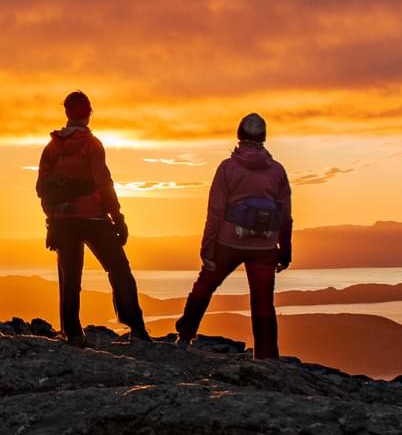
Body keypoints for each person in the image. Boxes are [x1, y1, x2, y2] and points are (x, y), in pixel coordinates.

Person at [174, 112, 293, 358]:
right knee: (263, 302)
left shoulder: (228, 168)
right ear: (264, 137)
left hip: (228, 242)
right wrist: (285, 252)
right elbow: (285, 216)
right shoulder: (277, 171)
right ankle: (267, 356)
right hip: (265, 246)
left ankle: (185, 336)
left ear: (239, 135)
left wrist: (207, 249)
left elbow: (215, 211)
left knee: (205, 285)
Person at [36, 90, 150, 345]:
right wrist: (118, 218)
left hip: (63, 221)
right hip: (95, 218)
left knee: (70, 277)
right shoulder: (92, 145)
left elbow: (42, 189)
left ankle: (73, 333)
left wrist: (51, 221)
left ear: (66, 113)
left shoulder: (52, 148)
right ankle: (137, 329)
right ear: (88, 115)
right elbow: (103, 183)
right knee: (119, 270)